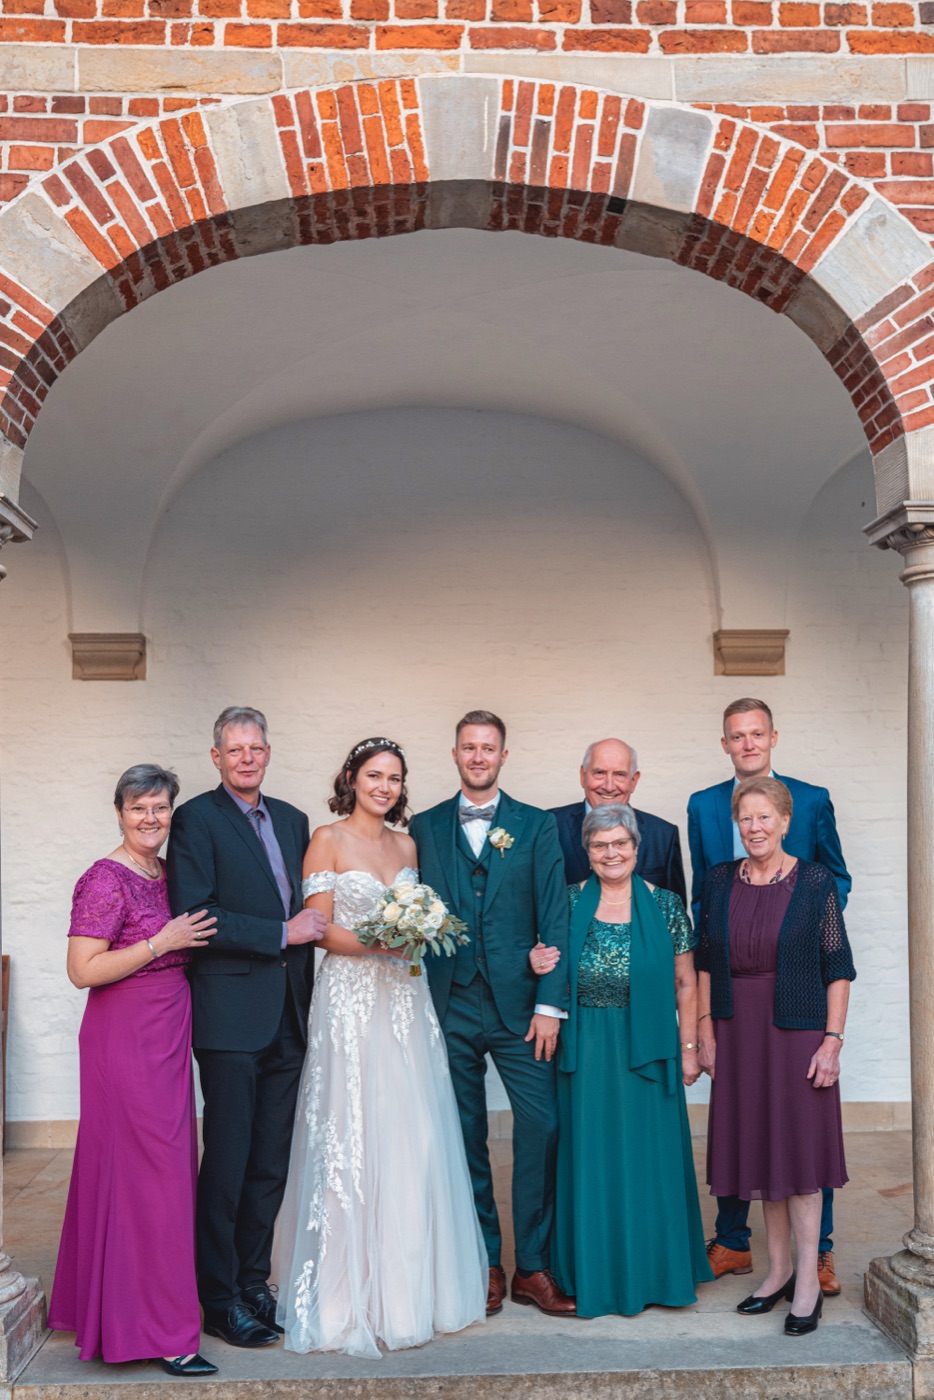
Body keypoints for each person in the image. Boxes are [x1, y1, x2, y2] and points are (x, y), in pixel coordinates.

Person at [272, 738, 487, 1358]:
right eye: (374, 775)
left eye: (393, 778)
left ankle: (408, 1289)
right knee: (352, 1127)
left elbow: (421, 923)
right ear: (352, 778)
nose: (384, 787)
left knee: (412, 1131)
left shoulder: (407, 845)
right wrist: (384, 942)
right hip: (350, 1002)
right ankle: (345, 1294)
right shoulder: (327, 839)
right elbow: (319, 930)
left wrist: (418, 932)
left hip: (405, 1001)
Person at [48, 764, 218, 1377]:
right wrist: (160, 942)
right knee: (145, 1176)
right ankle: (159, 1331)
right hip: (123, 1035)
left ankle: (136, 1310)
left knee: (165, 1174)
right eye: (139, 808)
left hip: (169, 1029)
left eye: (161, 808)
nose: (151, 818)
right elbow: (82, 970)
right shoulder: (104, 878)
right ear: (119, 812)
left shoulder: (170, 872)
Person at [166, 707, 326, 1349]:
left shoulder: (292, 819)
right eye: (235, 750)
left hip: (289, 1011)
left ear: (268, 752)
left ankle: (254, 1281)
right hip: (230, 1017)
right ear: (217, 757)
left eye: (256, 748)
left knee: (270, 1161)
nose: (247, 758)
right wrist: (280, 933)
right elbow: (197, 914)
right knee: (229, 1161)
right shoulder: (195, 819)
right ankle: (218, 1296)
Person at [410, 710, 575, 1319]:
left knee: (542, 1125)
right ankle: (484, 1262)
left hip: (522, 1007)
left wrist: (550, 1004)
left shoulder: (537, 825)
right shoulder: (423, 826)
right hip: (448, 1001)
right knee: (463, 1134)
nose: (478, 756)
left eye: (488, 748)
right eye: (469, 747)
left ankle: (532, 1264)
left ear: (504, 756)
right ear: (455, 754)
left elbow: (554, 915)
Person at [687, 697, 851, 1294]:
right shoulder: (704, 807)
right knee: (748, 1134)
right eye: (737, 735)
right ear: (725, 743)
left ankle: (816, 1259)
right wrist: (702, 1023)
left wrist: (799, 924)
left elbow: (835, 884)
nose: (748, 743)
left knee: (801, 1141)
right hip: (734, 999)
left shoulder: (810, 804)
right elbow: (703, 908)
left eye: (757, 733)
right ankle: (739, 1245)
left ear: (773, 737)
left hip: (794, 997)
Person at [535, 802, 711, 1316]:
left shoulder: (667, 905)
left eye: (620, 843)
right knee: (592, 1160)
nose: (611, 853)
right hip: (586, 1049)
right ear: (586, 851)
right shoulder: (567, 902)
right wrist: (533, 958)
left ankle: (657, 1271)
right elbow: (544, 962)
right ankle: (595, 1271)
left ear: (636, 847)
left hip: (651, 1051)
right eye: (599, 845)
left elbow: (685, 982)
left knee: (650, 1160)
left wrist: (689, 1049)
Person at [550, 738, 687, 902]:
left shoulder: (663, 835)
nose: (609, 786)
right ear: (583, 776)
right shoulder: (549, 827)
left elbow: (675, 909)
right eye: (599, 773)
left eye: (620, 775)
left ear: (633, 781)